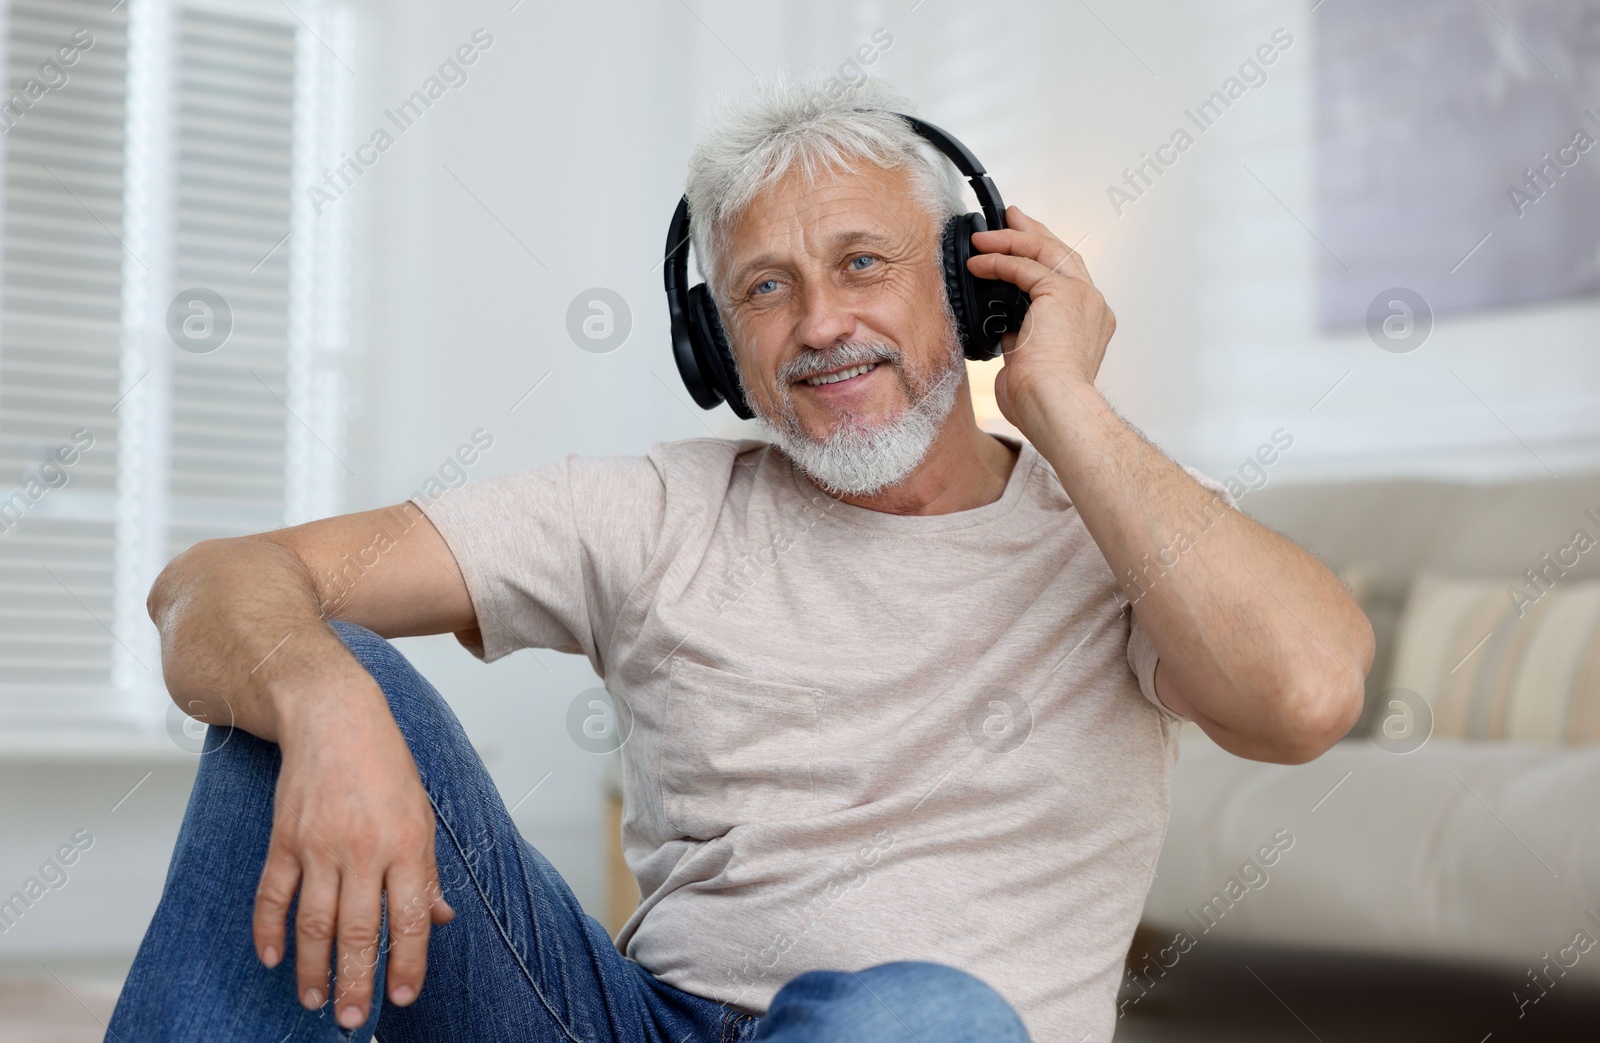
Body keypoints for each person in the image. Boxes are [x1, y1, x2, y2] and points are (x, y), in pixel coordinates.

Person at [108, 74, 1373, 1042]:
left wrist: (1060, 399)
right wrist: (328, 704)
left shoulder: (1117, 534)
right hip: (627, 1015)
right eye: (764, 290)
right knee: (299, 688)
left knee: (922, 1015)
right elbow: (211, 582)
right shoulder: (657, 507)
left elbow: (1307, 694)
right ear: (717, 347)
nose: (821, 324)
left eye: (862, 264)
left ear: (972, 289)